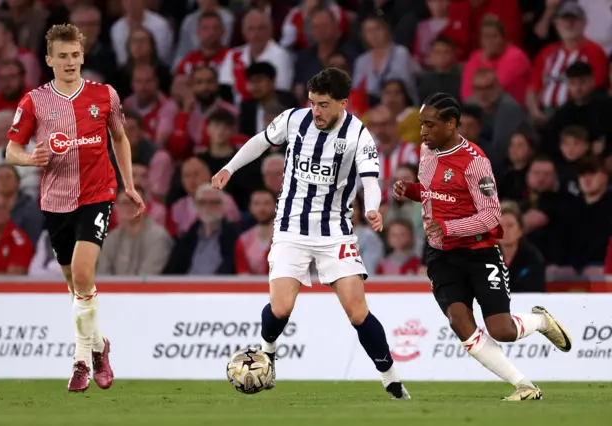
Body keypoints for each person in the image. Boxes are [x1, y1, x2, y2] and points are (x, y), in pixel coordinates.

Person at [212, 68, 410, 399]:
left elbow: (371, 180)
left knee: (357, 310)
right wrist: (229, 167)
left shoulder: (358, 135)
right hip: (291, 228)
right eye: (312, 103)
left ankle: (390, 377)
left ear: (343, 103)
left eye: (323, 105)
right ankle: (268, 352)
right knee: (280, 308)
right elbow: (261, 141)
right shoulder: (293, 120)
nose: (316, 111)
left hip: (336, 232)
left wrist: (373, 208)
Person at [393, 92, 572, 401]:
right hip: (441, 255)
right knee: (459, 322)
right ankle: (525, 386)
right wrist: (410, 190)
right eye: (422, 124)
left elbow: (491, 216)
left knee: (502, 329)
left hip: (479, 253)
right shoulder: (427, 152)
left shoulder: (475, 163)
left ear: (451, 124)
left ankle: (541, 320)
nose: (423, 132)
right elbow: (433, 192)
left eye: (430, 125)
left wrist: (449, 227)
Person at [4, 24, 146, 392]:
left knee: (83, 277)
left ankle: (81, 360)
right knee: (76, 288)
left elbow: (120, 138)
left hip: (98, 194)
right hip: (55, 201)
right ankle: (101, 346)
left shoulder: (104, 95)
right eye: (62, 56)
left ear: (82, 56)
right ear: (49, 60)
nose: (69, 62)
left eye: (75, 55)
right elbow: (11, 150)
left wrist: (128, 184)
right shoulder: (34, 101)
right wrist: (29, 160)